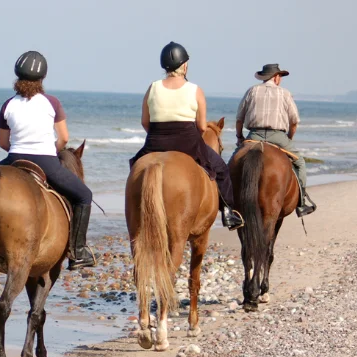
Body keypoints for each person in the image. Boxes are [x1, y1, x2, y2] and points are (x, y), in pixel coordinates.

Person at [0, 51, 96, 270]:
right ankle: (77, 251)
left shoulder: (8, 104)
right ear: (42, 78)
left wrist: (16, 150)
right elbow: (64, 138)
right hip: (46, 160)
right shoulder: (52, 102)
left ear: (17, 77)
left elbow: (3, 142)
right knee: (84, 196)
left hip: (13, 158)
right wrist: (51, 150)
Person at [130, 42, 244, 230]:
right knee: (221, 169)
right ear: (184, 65)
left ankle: (134, 209)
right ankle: (228, 212)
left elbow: (144, 121)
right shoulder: (195, 90)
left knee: (135, 168)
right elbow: (201, 126)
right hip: (187, 142)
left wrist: (159, 135)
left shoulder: (152, 88)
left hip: (155, 141)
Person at [234, 64, 317, 217]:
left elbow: (239, 119)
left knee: (233, 162)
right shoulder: (284, 93)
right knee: (300, 163)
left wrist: (239, 137)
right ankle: (302, 202)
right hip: (277, 136)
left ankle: (228, 204)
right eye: (280, 76)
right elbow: (294, 121)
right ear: (276, 77)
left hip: (254, 135)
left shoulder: (252, 91)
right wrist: (289, 139)